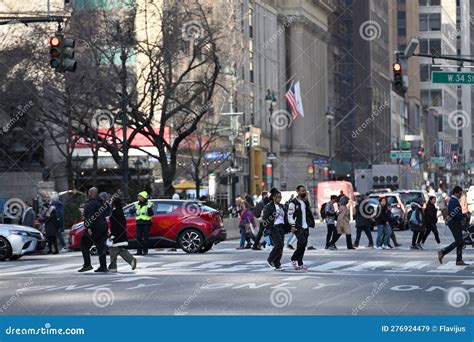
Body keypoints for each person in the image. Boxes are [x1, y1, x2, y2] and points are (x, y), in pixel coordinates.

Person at [78, 187, 108, 272]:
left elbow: (90, 216)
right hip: (102, 226)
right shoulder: (101, 203)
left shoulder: (91, 203)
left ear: (90, 193)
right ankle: (103, 266)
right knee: (101, 247)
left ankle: (87, 265)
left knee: (84, 245)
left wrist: (89, 227)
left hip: (95, 227)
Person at [438, 186, 469, 266]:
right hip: (453, 223)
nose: (460, 195)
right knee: (459, 241)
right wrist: (464, 215)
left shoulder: (454, 200)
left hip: (456, 223)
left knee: (460, 241)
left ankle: (459, 260)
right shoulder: (453, 201)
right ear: (456, 192)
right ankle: (443, 252)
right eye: (460, 193)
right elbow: (453, 214)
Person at [287, 185, 315, 271]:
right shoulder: (293, 203)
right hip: (297, 226)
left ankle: (300, 263)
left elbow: (308, 213)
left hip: (305, 226)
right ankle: (293, 258)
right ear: (297, 192)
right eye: (302, 191)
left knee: (303, 245)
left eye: (304, 191)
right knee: (302, 243)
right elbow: (290, 216)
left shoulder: (304, 202)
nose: (304, 192)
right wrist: (292, 225)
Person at [108, 197, 137, 272]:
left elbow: (115, 225)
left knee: (113, 249)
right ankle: (131, 260)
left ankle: (113, 267)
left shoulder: (115, 213)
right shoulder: (121, 212)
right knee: (120, 249)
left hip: (116, 235)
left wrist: (112, 235)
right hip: (122, 234)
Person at [262, 188, 286, 271]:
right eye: (278, 197)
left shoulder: (281, 206)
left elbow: (285, 217)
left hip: (281, 227)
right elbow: (264, 219)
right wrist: (269, 227)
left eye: (280, 197)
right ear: (273, 197)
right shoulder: (269, 206)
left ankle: (277, 264)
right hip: (273, 227)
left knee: (281, 246)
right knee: (278, 245)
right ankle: (270, 260)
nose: (279, 198)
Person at [130, 191, 154, 255]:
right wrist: (133, 210)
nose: (138, 198)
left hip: (146, 223)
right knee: (138, 237)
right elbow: (131, 211)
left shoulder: (149, 204)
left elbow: (151, 214)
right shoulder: (137, 204)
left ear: (144, 197)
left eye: (140, 196)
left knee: (145, 238)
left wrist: (149, 208)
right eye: (138, 196)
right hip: (139, 223)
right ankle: (139, 251)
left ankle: (145, 251)